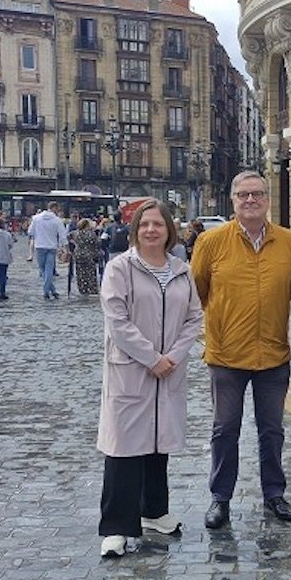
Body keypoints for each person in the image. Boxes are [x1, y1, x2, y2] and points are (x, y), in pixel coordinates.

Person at [190, 170, 291, 529]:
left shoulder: (288, 242)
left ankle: (275, 493)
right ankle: (220, 498)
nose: (250, 200)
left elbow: (290, 288)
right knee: (225, 429)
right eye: (243, 195)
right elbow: (197, 292)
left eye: (257, 194)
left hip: (272, 355)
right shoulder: (211, 242)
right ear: (233, 201)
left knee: (273, 430)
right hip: (226, 355)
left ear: (268, 200)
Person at [97, 199, 204, 558]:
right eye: (144, 225)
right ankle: (115, 527)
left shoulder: (181, 270)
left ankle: (154, 511)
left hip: (168, 370)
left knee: (159, 443)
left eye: (158, 224)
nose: (151, 230)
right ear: (135, 229)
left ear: (169, 229)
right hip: (131, 369)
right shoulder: (120, 268)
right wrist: (151, 357)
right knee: (124, 449)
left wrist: (173, 356)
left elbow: (194, 317)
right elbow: (117, 320)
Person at [28, 201, 69, 300]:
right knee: (49, 269)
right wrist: (66, 248)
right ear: (54, 208)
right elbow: (63, 236)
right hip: (52, 247)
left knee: (43, 269)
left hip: (39, 246)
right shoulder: (57, 220)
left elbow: (30, 231)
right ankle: (50, 290)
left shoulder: (36, 218)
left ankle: (48, 290)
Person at [71, 218, 102, 295]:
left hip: (78, 255)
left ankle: (82, 289)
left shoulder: (75, 233)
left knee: (80, 273)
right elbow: (97, 243)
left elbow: (68, 238)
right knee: (90, 273)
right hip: (89, 255)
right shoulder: (91, 234)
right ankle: (92, 289)